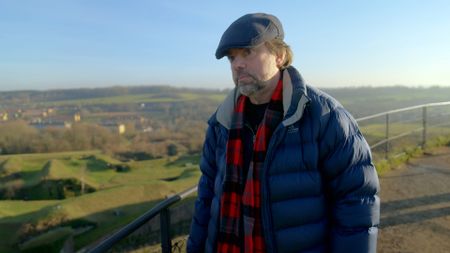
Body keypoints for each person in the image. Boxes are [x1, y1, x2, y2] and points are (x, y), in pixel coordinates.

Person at [188, 13, 380, 253]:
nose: (237, 64)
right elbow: (206, 198)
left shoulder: (324, 116)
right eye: (231, 57)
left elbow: (356, 202)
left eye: (247, 52)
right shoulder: (222, 123)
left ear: (279, 56)